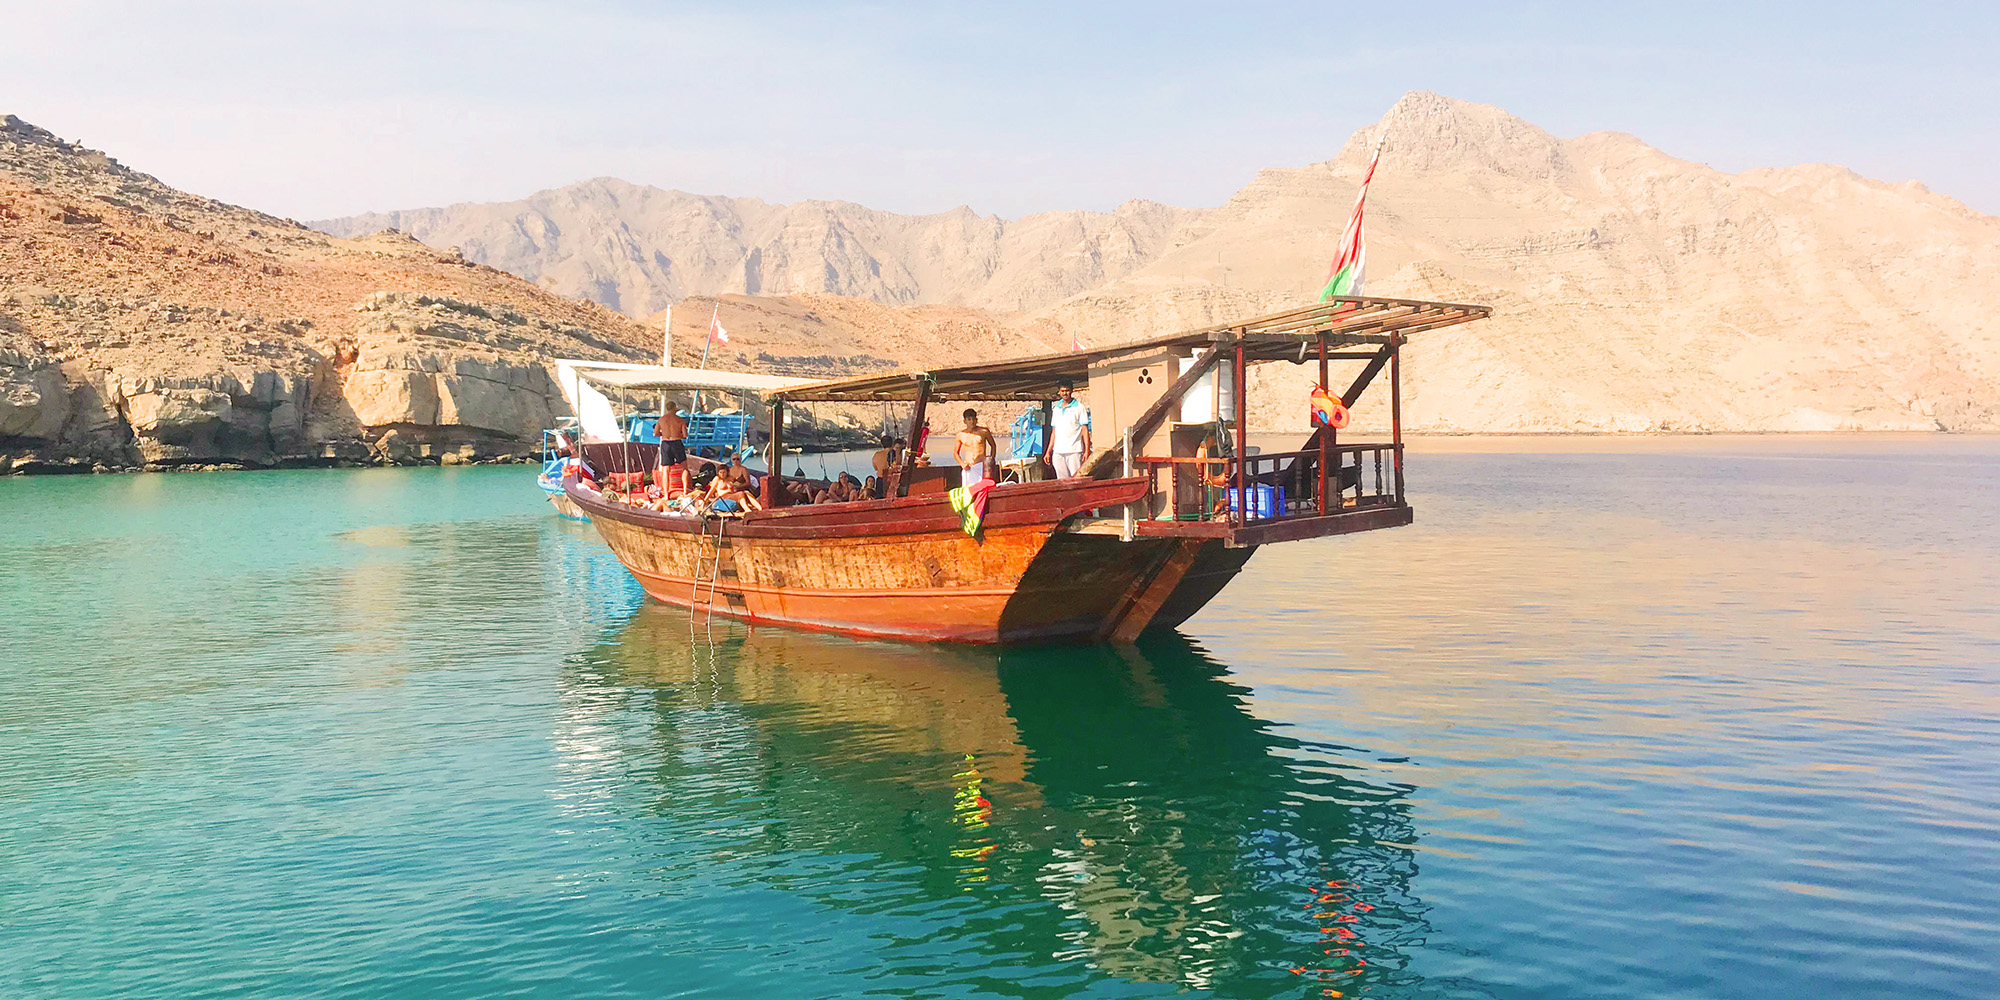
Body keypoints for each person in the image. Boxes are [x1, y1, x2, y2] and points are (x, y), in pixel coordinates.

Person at [1045, 378, 1091, 479]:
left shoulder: (1079, 408)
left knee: (1076, 479)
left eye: (1067, 390)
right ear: (1059, 392)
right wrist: (1048, 451)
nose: (1065, 393)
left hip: (1074, 451)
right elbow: (1054, 432)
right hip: (1058, 452)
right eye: (1062, 391)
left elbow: (1084, 430)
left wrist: (1087, 450)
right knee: (1062, 481)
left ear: (1071, 391)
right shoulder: (1056, 408)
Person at [954, 408, 996, 486]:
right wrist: (962, 463)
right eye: (969, 419)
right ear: (965, 421)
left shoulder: (984, 432)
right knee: (969, 490)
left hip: (981, 465)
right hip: (968, 467)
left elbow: (993, 446)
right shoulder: (960, 435)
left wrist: (990, 461)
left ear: (976, 420)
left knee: (983, 488)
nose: (972, 422)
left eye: (973, 419)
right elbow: (956, 453)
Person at [653, 405, 688, 472]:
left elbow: (655, 434)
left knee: (666, 468)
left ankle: (665, 483)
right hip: (677, 442)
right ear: (675, 408)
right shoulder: (680, 420)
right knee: (684, 467)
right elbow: (685, 435)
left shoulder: (661, 419)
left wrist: (664, 434)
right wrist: (677, 435)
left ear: (667, 409)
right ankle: (686, 483)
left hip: (666, 442)